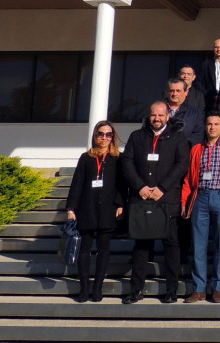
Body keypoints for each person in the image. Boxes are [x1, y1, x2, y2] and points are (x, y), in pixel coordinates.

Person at [121, 101, 190, 304]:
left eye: (161, 115)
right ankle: (136, 289)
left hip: (166, 201)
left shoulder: (178, 137)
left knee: (171, 247)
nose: (157, 119)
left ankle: (171, 290)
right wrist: (140, 186)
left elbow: (182, 164)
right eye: (153, 115)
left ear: (168, 116)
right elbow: (127, 163)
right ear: (149, 116)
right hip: (142, 200)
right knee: (141, 247)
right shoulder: (137, 137)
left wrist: (163, 188)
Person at [66, 120, 124, 303]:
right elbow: (77, 183)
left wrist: (120, 204)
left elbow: (122, 185)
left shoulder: (117, 158)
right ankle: (84, 287)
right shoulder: (86, 158)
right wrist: (71, 209)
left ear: (112, 137)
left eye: (108, 134)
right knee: (84, 249)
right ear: (95, 136)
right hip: (87, 209)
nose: (104, 137)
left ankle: (98, 287)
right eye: (101, 134)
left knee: (104, 250)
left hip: (108, 210)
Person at [180, 112, 220, 303]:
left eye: (216, 124)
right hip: (200, 196)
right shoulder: (196, 149)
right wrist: (185, 201)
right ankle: (199, 288)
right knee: (198, 244)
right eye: (209, 124)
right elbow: (188, 179)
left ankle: (218, 287)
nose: (212, 127)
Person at [165, 77, 205, 146]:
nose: (174, 94)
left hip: (184, 153)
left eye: (178, 91)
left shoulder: (195, 113)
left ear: (186, 92)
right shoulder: (159, 110)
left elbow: (198, 136)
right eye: (172, 91)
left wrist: (179, 145)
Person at [199, 38, 220, 110]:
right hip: (209, 101)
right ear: (213, 48)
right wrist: (206, 93)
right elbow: (199, 82)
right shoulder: (205, 65)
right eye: (216, 47)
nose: (219, 49)